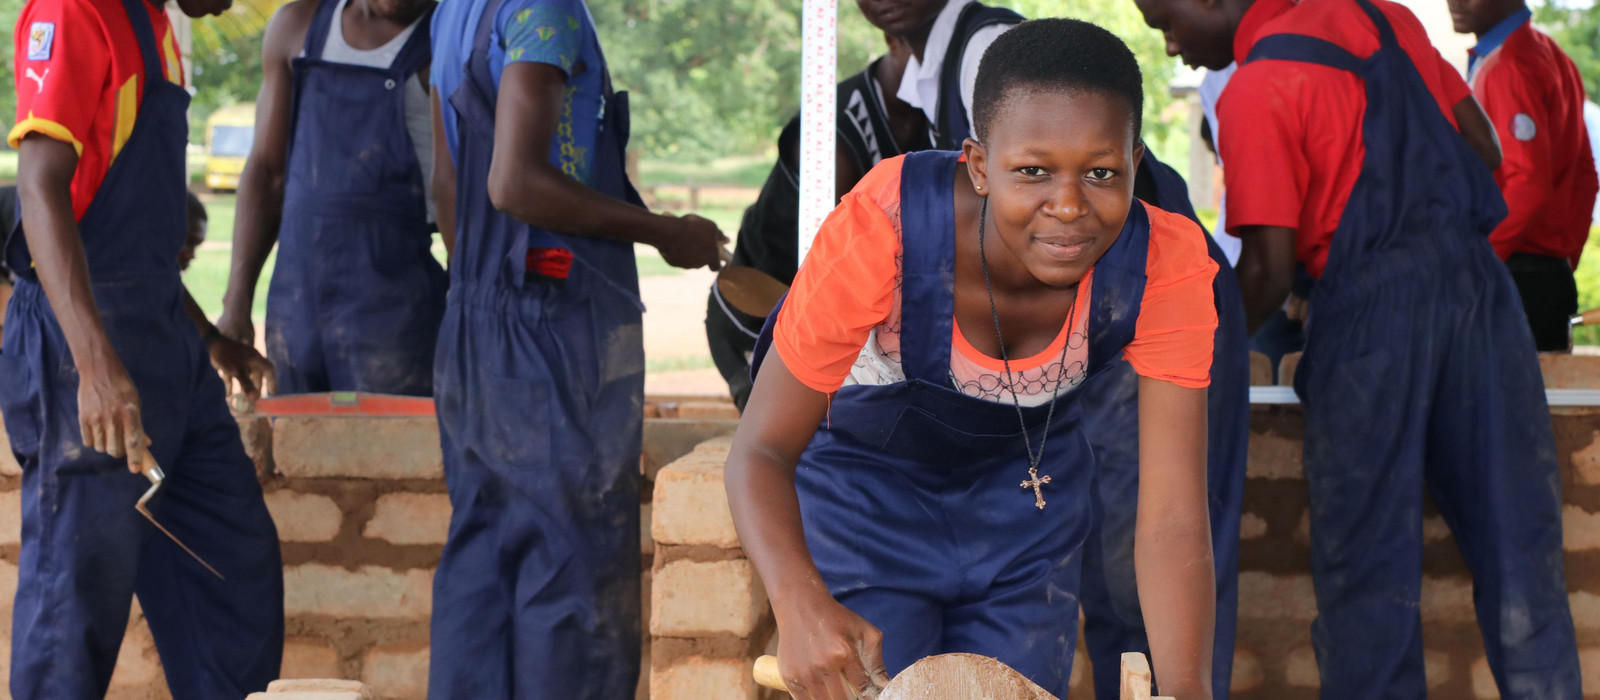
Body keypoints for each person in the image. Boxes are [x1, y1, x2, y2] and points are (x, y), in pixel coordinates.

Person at [726, 20, 1218, 700]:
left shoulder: (1166, 265)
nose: (1069, 205)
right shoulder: (885, 228)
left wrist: (1186, 689)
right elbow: (760, 451)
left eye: (1102, 172)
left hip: (1025, 521)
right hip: (865, 507)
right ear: (980, 165)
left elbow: (1172, 517)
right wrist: (798, 599)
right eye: (1033, 171)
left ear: (1136, 161)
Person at [1133, 0, 1582, 694]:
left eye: (1165, 21)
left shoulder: (1260, 84)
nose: (1170, 46)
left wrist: (1191, 355)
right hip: (1482, 298)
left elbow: (1267, 269)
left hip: (1372, 316)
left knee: (1369, 575)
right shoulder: (1388, 17)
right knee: (1521, 556)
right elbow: (1486, 150)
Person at [426, 0, 726, 695]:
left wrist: (485, 289)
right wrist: (663, 231)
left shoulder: (453, 12)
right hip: (550, 330)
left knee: (484, 565)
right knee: (572, 578)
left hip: (476, 322)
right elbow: (515, 182)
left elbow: (451, 184)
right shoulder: (545, 9)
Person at [0, 0, 287, 693]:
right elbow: (41, 190)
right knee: (76, 596)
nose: (235, 6)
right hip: (86, 345)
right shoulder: (74, 13)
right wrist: (95, 365)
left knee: (232, 573)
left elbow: (141, 239)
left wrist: (209, 338)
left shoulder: (154, 26)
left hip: (167, 346)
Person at [218, 0, 446, 395]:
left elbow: (458, 191)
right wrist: (237, 303)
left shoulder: (448, 39)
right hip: (296, 311)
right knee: (299, 446)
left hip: (399, 316)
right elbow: (267, 174)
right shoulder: (297, 26)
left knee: (393, 450)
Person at [706, 26, 931, 410]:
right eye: (936, 51)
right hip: (760, 314)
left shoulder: (936, 116)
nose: (946, 65)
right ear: (895, 40)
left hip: (839, 321)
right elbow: (836, 268)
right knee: (793, 436)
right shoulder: (831, 129)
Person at [1450, 0, 1597, 352]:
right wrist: (1561, 262)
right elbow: (1586, 177)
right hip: (1544, 276)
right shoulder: (1553, 55)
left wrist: (1475, 262)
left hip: (1509, 276)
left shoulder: (1509, 65)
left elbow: (1526, 184)